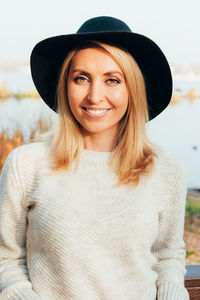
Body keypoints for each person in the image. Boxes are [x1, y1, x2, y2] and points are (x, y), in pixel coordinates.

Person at [0, 16, 189, 300]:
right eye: (81, 78)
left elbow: (168, 256)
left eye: (112, 80)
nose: (94, 96)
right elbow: (6, 259)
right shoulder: (25, 165)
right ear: (66, 85)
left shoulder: (166, 169)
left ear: (132, 89)